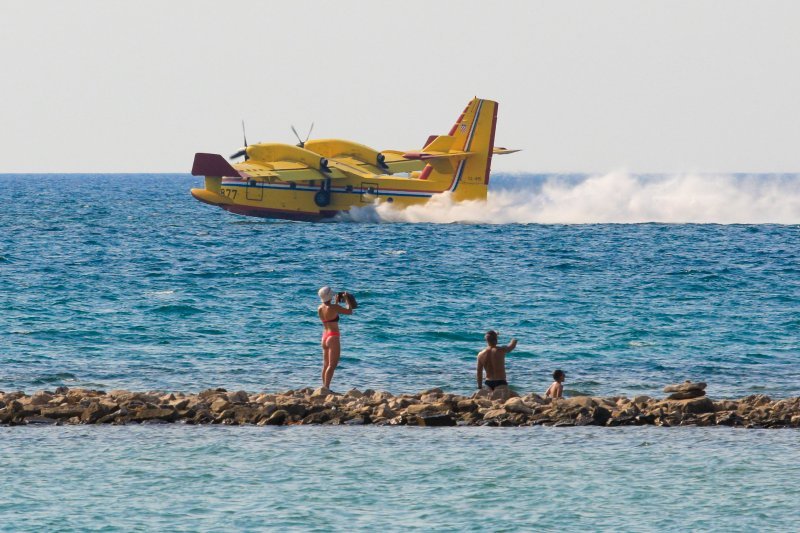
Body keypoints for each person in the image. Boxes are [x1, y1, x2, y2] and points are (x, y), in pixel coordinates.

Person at [317, 286, 356, 389]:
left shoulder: (320, 308)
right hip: (333, 336)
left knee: (326, 365)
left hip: (324, 337)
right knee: (332, 365)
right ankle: (326, 388)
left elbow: (331, 314)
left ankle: (324, 387)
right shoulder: (334, 307)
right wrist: (347, 299)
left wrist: (336, 302)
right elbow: (350, 311)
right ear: (330, 296)